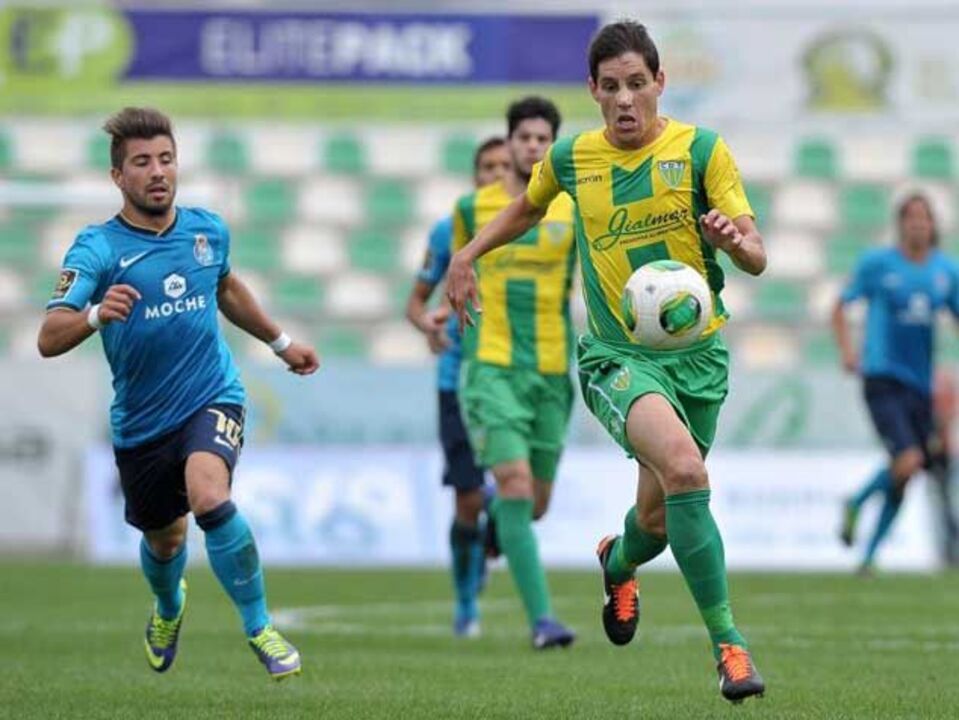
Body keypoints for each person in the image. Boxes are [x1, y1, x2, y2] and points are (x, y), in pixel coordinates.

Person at [446, 21, 767, 702]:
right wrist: (466, 255)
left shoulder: (702, 151)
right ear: (592, 90)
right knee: (685, 468)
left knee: (655, 520)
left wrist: (733, 244)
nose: (625, 100)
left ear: (659, 82)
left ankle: (617, 562)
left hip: (698, 358)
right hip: (616, 359)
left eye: (636, 84)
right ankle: (729, 648)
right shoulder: (572, 158)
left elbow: (757, 255)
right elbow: (526, 210)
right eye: (610, 87)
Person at [37, 107, 319, 680]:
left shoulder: (207, 229)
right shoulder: (97, 249)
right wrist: (93, 314)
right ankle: (169, 607)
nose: (158, 171)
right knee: (166, 541)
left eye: (166, 159)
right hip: (141, 423)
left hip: (212, 393)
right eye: (142, 162)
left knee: (210, 496)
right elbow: (48, 337)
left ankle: (259, 626)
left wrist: (281, 341)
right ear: (119, 176)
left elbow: (226, 286)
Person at [450, 96, 578, 650]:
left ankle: (489, 529)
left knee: (535, 504)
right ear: (508, 144)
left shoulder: (574, 207)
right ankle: (543, 621)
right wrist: (440, 314)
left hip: (552, 369)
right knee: (519, 486)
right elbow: (455, 277)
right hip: (492, 366)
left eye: (542, 138)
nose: (532, 146)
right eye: (523, 137)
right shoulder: (470, 209)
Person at [405, 136, 511, 637]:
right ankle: (466, 600)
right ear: (474, 177)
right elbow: (415, 303)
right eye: (486, 167)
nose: (495, 174)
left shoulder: (531, 226)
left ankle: (492, 540)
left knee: (522, 493)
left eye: (503, 166)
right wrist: (429, 326)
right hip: (458, 379)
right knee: (468, 499)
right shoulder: (450, 230)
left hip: (514, 374)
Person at [835, 193, 959, 573]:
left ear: (932, 225)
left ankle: (868, 559)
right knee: (909, 461)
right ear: (901, 224)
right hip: (882, 375)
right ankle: (855, 503)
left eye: (925, 218)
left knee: (904, 475)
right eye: (912, 218)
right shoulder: (878, 264)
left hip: (920, 386)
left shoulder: (945, 271)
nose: (918, 224)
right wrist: (848, 350)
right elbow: (841, 305)